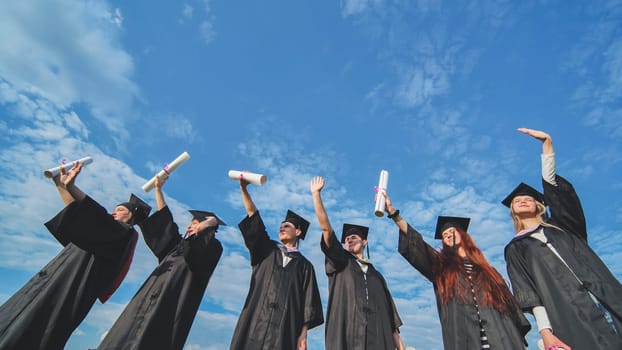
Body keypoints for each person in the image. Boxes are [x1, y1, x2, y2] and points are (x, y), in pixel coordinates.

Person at [0, 161, 149, 350]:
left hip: (67, 291)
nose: (114, 212)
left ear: (132, 215)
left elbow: (96, 215)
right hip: (49, 281)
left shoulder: (124, 235)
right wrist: (59, 184)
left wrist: (72, 186)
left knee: (31, 332)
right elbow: (79, 214)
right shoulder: (103, 231)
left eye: (120, 210)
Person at [503, 128, 622, 350]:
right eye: (517, 200)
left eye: (529, 198)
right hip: (571, 318)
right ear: (512, 211)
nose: (522, 199)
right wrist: (546, 333)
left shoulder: (564, 227)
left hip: (612, 300)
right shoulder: (516, 248)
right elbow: (529, 293)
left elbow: (559, 198)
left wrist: (547, 147)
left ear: (539, 205)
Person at [381, 191, 530, 349]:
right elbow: (419, 245)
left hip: (503, 338)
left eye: (452, 231)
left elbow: (511, 308)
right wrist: (394, 214)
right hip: (463, 338)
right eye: (444, 234)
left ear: (464, 235)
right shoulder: (442, 268)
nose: (448, 235)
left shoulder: (488, 271)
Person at [97, 175, 223, 349]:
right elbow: (166, 223)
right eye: (191, 223)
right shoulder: (177, 246)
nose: (190, 226)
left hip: (170, 306)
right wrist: (158, 190)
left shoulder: (212, 248)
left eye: (194, 223)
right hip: (145, 299)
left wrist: (208, 224)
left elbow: (201, 245)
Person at [310, 176, 404, 350]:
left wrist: (402, 348)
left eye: (354, 237)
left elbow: (392, 321)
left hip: (378, 338)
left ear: (364, 242)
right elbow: (326, 229)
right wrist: (316, 195)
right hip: (349, 335)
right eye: (346, 238)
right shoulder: (341, 262)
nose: (349, 239)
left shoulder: (377, 276)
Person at [229, 177, 323, 350]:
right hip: (254, 324)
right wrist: (244, 189)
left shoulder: (305, 266)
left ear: (298, 232)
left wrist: (303, 335)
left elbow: (308, 304)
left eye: (287, 226)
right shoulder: (266, 250)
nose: (282, 228)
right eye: (281, 225)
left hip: (284, 332)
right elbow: (253, 217)